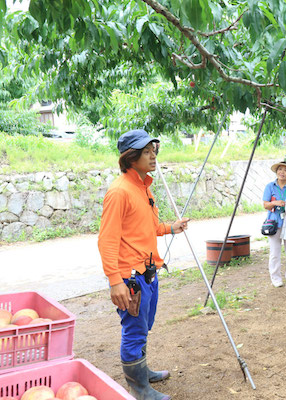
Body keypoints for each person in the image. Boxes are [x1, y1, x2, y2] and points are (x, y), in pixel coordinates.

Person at [98, 129, 189, 400]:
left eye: (154, 151)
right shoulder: (119, 191)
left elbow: (147, 227)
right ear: (131, 157)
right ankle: (139, 389)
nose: (153, 156)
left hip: (148, 271)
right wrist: (115, 281)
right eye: (146, 152)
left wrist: (170, 228)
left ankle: (143, 372)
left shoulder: (143, 186)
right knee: (134, 330)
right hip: (130, 278)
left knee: (144, 326)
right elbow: (107, 240)